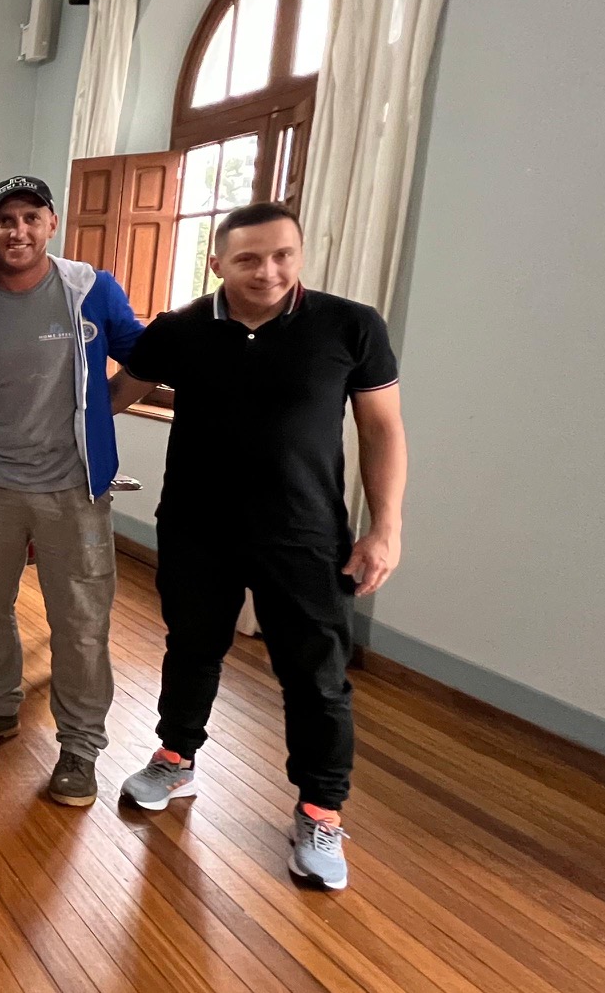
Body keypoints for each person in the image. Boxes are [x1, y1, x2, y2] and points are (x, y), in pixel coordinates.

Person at [114, 201, 407, 892]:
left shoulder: (351, 325)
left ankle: (320, 811)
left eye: (282, 256)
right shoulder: (180, 330)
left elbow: (383, 429)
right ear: (218, 263)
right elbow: (115, 395)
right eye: (248, 258)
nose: (267, 271)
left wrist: (386, 528)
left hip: (306, 535)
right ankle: (175, 759)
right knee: (191, 649)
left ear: (299, 255)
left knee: (317, 677)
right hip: (195, 527)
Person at [0, 176, 144, 807]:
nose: (18, 230)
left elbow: (145, 357)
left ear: (51, 224)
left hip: (74, 489)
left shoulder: (90, 289)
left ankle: (80, 746)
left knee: (80, 624)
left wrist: (104, 409)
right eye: (5, 219)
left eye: (31, 217)